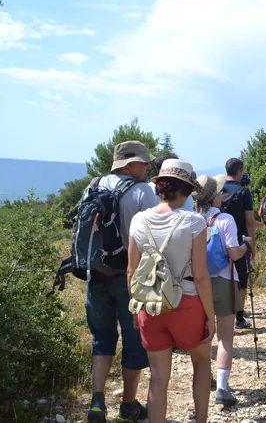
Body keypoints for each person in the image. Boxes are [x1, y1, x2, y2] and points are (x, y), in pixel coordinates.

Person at [127, 159, 216, 423]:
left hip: (149, 305)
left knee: (158, 377)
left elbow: (131, 271)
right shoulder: (194, 222)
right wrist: (210, 317)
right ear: (187, 191)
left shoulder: (138, 220)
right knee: (201, 364)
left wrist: (134, 307)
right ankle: (200, 419)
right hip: (187, 303)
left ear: (159, 188)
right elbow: (200, 276)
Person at [85, 141, 158, 423]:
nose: (148, 167)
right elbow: (154, 238)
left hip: (96, 275)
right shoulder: (143, 192)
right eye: (144, 162)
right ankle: (128, 406)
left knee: (101, 339)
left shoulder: (93, 186)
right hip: (130, 277)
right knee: (133, 341)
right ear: (129, 165)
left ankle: (97, 402)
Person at [194, 174, 253, 407]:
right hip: (224, 281)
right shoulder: (225, 219)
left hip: (197, 284)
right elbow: (233, 254)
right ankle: (222, 387)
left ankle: (204, 378)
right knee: (225, 337)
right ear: (214, 197)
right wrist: (246, 244)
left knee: (202, 336)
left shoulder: (191, 219)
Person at [220, 158, 256, 328]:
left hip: (218, 239)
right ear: (239, 171)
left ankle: (221, 313)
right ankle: (239, 317)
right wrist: (251, 243)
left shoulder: (218, 188)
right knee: (242, 278)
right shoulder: (244, 192)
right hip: (239, 240)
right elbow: (249, 221)